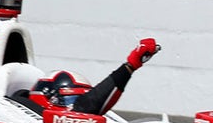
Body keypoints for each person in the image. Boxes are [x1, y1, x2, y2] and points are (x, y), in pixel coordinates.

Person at [15, 38, 160, 117]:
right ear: (50, 98)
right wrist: (130, 66)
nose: (76, 105)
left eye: (79, 99)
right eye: (72, 99)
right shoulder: (24, 116)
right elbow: (87, 106)